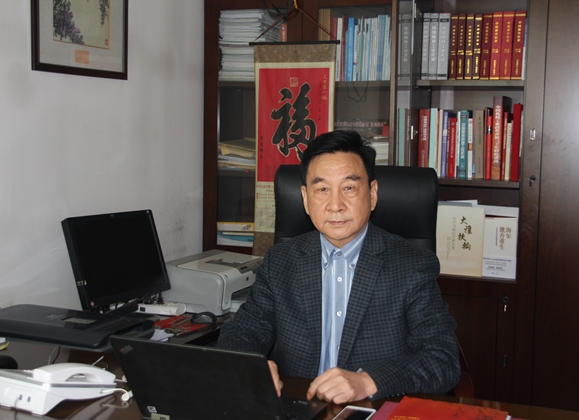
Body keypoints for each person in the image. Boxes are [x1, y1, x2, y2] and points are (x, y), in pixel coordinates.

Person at [216, 130, 460, 404]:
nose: (335, 205)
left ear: (372, 194)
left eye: (349, 188)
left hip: (372, 409)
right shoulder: (281, 262)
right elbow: (243, 333)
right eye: (322, 189)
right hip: (298, 406)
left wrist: (368, 381)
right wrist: (252, 365)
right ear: (305, 199)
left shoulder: (411, 265)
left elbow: (443, 360)